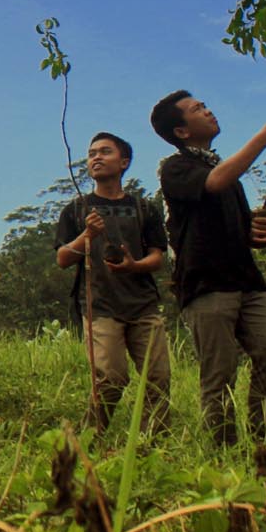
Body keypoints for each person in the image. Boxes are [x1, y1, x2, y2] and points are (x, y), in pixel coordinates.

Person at [150, 90, 266, 448]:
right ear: (181, 132)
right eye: (198, 109)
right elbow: (213, 184)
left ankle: (263, 445)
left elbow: (245, 231)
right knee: (220, 373)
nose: (209, 111)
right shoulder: (177, 168)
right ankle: (223, 453)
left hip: (249, 282)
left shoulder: (225, 171)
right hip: (206, 286)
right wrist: (262, 139)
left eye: (206, 105)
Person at [54, 133, 171, 434]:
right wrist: (86, 236)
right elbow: (63, 258)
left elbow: (158, 257)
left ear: (124, 162)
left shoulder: (144, 209)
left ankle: (152, 445)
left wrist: (135, 266)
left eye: (105, 152)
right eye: (92, 153)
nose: (96, 157)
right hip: (99, 304)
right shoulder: (76, 210)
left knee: (158, 377)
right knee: (111, 377)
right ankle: (90, 437)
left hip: (143, 303)